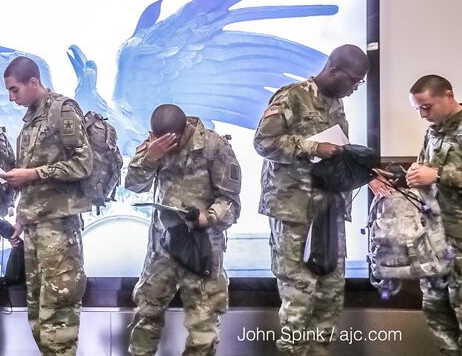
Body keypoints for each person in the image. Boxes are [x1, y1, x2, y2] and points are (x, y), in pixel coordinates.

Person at [253, 44, 370, 355]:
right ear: (333, 72)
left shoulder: (337, 103)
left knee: (330, 296)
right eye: (353, 81)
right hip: (293, 212)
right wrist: (311, 147)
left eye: (360, 84)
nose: (355, 89)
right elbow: (263, 143)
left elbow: (335, 152)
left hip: (328, 211)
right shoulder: (291, 95)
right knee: (299, 299)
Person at [125, 104, 242, 355]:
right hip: (163, 246)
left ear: (183, 131)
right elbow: (133, 185)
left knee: (203, 326)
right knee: (146, 315)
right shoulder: (154, 144)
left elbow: (231, 201)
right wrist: (150, 157)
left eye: (171, 141)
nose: (167, 145)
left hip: (202, 246)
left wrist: (207, 217)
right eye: (158, 139)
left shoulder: (214, 146)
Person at [0, 56, 93, 356]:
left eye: (15, 90)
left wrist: (33, 174)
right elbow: (33, 177)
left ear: (34, 82)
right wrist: (21, 219)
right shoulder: (31, 118)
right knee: (39, 317)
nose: (12, 98)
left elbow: (83, 164)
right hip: (36, 230)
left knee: (58, 320)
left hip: (59, 230)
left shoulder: (62, 110)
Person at [404, 75, 462, 355]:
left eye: (426, 107)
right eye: (417, 109)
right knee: (436, 309)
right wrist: (412, 175)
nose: (422, 114)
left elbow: (437, 174)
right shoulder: (433, 131)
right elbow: (425, 169)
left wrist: (438, 174)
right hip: (436, 237)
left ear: (448, 95)